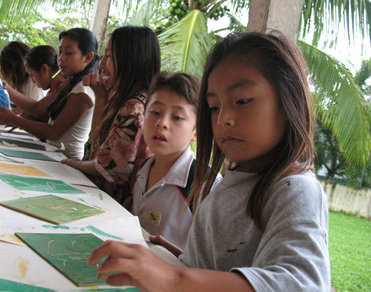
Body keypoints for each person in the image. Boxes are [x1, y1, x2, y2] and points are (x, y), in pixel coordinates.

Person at [87, 31, 331, 292]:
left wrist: (174, 278)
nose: (223, 118)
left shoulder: (295, 190)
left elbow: (302, 284)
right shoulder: (230, 184)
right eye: (214, 107)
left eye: (243, 101)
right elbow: (217, 268)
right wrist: (183, 261)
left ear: (289, 99)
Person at [61, 26, 161, 207]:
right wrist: (100, 98)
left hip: (112, 205)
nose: (101, 65)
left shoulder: (135, 107)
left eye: (109, 56)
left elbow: (103, 166)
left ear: (130, 61)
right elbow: (99, 150)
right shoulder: (129, 99)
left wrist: (71, 163)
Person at [0, 29, 99, 159]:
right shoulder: (71, 83)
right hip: (53, 154)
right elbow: (37, 108)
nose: (61, 58)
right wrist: (6, 89)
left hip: (66, 160)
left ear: (88, 57)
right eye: (60, 52)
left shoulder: (83, 91)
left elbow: (54, 132)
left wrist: (13, 119)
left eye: (68, 53)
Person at [132, 72, 202, 250]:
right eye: (155, 112)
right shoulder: (144, 169)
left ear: (197, 131)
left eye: (177, 117)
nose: (162, 123)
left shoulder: (203, 185)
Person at [0, 45, 66, 123]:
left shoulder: (62, 89)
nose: (33, 81)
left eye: (31, 74)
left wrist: (7, 88)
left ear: (44, 69)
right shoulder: (55, 88)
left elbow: (35, 108)